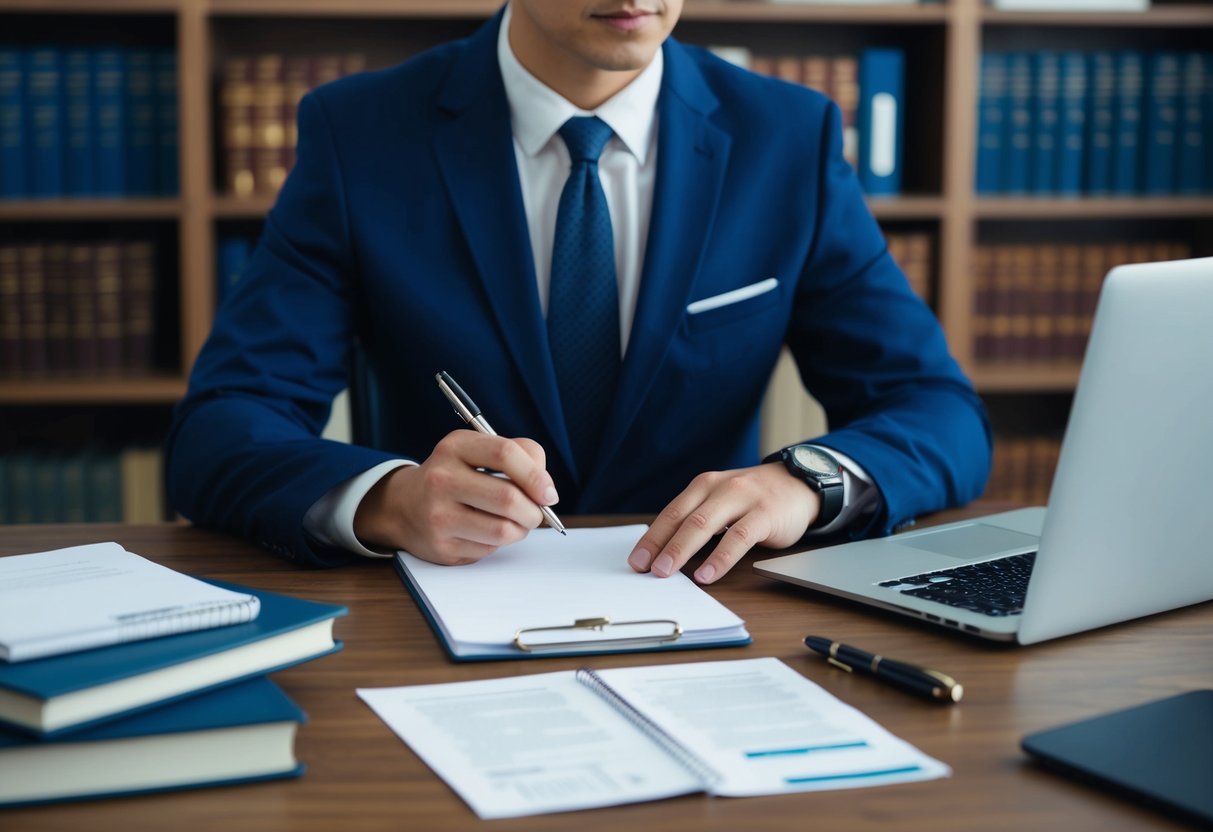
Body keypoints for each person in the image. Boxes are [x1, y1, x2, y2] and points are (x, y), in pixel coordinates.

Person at [166, 0, 991, 582]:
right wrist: (390, 501)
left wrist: (804, 483)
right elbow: (221, 430)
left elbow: (938, 412)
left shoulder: (786, 137)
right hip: (439, 618)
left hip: (704, 609)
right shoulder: (361, 134)